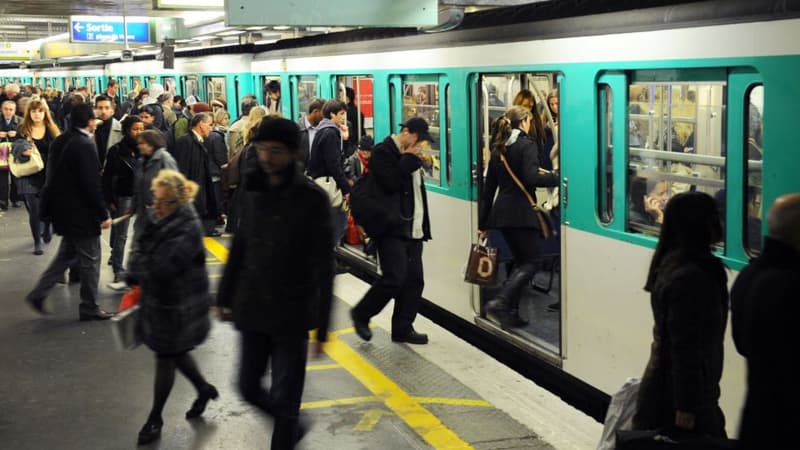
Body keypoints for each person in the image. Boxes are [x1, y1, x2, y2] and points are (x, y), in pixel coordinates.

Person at [217, 117, 334, 450]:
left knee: (286, 398)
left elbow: (325, 265)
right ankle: (292, 427)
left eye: (275, 151)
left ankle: (286, 431)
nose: (266, 157)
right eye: (262, 149)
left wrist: (322, 329)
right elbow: (239, 245)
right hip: (252, 305)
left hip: (292, 312)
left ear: (293, 153)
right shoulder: (252, 187)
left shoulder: (312, 198)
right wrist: (224, 295)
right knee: (247, 387)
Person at [127, 169, 217, 446]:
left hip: (180, 305)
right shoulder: (160, 216)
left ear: (176, 202)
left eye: (162, 201)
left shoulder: (188, 226)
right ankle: (203, 389)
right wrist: (140, 263)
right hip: (162, 302)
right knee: (175, 353)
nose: (155, 206)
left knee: (166, 356)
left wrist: (138, 267)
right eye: (155, 200)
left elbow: (163, 266)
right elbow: (141, 248)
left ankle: (155, 418)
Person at [633, 192, 728, 438]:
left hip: (670, 388)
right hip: (679, 397)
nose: (720, 222)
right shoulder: (691, 276)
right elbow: (685, 346)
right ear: (700, 224)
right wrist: (686, 405)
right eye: (714, 216)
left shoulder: (671, 263)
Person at [24, 103, 114, 321]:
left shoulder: (62, 140)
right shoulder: (85, 144)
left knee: (65, 256)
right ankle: (89, 306)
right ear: (89, 121)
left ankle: (39, 293)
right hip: (82, 214)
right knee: (91, 260)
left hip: (63, 210)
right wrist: (102, 213)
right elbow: (90, 184)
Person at [350, 117, 435, 345]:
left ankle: (402, 327)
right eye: (418, 140)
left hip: (413, 228)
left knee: (415, 280)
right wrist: (409, 157)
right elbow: (391, 183)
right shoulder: (382, 152)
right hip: (390, 228)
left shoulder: (412, 156)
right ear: (406, 132)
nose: (420, 146)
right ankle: (361, 313)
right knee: (394, 277)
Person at [478, 106, 559, 327]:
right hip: (522, 214)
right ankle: (502, 302)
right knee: (533, 262)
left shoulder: (498, 149)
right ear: (523, 121)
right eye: (529, 120)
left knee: (521, 261)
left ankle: (510, 313)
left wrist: (483, 224)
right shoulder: (527, 145)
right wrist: (556, 178)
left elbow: (488, 191)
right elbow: (531, 178)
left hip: (501, 215)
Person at [731, 194, 800, 449]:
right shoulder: (791, 285)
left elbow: (741, 343)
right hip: (789, 422)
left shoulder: (749, 274)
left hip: (757, 416)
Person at [15, 98, 61, 254]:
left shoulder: (52, 129)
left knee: (48, 207)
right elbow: (15, 147)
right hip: (30, 174)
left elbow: (61, 149)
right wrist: (22, 152)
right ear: (29, 112)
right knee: (34, 210)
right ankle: (37, 242)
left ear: (45, 112)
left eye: (40, 111)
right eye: (34, 111)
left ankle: (47, 227)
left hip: (50, 175)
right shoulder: (23, 129)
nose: (37, 114)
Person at [102, 115, 145, 285]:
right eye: (135, 129)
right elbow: (107, 177)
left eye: (141, 129)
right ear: (127, 130)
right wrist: (108, 199)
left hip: (142, 195)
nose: (139, 132)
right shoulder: (116, 151)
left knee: (141, 232)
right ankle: (118, 269)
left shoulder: (146, 148)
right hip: (124, 194)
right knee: (122, 235)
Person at [307, 99, 351, 246]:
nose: (344, 117)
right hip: (329, 185)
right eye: (341, 114)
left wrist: (344, 139)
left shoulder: (321, 130)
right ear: (332, 114)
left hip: (319, 182)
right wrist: (346, 189)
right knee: (337, 225)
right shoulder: (331, 133)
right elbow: (334, 164)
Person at [172, 112, 220, 236]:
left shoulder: (197, 141)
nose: (211, 128)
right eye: (209, 124)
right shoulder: (186, 142)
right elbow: (182, 169)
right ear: (200, 124)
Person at [132, 130, 179, 250]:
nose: (139, 146)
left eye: (142, 143)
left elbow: (174, 187)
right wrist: (134, 205)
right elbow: (139, 186)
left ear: (152, 144)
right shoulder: (142, 161)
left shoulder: (165, 159)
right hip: (144, 214)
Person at [0, 100, 22, 210]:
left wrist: (17, 134)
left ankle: (15, 198)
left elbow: (26, 136)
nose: (8, 111)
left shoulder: (20, 121)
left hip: (15, 152)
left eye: (11, 109)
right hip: (1, 153)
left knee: (15, 176)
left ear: (14, 111)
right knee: (2, 177)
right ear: (1, 110)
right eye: (5, 109)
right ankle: (3, 200)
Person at [93, 94, 123, 168]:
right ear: (95, 110)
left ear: (112, 110)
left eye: (107, 108)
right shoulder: (88, 129)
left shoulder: (120, 130)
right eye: (100, 108)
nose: (103, 111)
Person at [298, 98, 324, 169]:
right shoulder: (297, 129)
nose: (325, 118)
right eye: (323, 115)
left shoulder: (324, 129)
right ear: (315, 112)